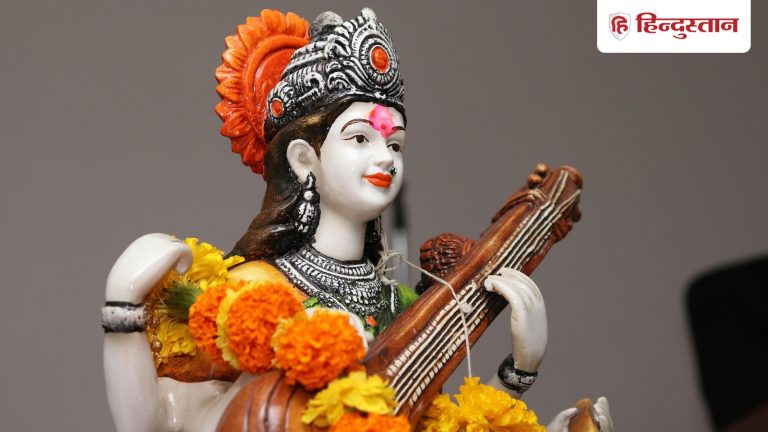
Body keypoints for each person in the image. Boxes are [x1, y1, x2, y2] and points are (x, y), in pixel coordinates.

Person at [102, 8, 611, 431]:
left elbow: (421, 423)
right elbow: (163, 423)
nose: (385, 157)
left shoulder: (399, 303)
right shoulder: (253, 291)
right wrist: (122, 307)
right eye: (361, 138)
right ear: (305, 159)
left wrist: (518, 370)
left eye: (395, 144)